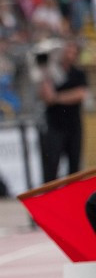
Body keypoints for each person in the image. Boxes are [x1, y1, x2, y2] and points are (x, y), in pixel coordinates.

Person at [39, 39, 89, 182]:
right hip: (55, 126)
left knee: (75, 167)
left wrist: (57, 97)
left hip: (73, 126)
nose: (70, 55)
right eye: (68, 51)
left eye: (73, 52)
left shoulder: (78, 73)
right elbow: (46, 95)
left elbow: (80, 94)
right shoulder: (51, 72)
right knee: (52, 164)